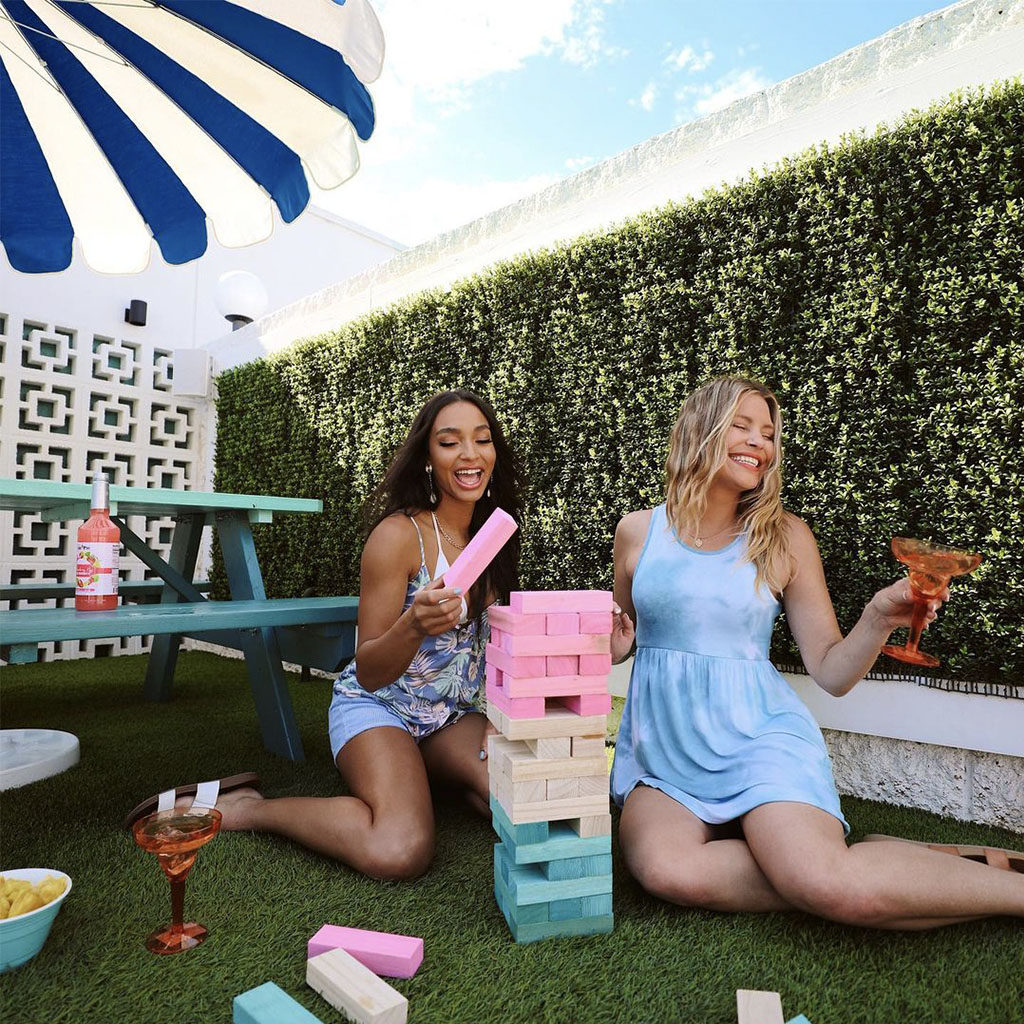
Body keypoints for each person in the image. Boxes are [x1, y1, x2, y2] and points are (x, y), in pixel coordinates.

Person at [608, 376, 1024, 929]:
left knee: (827, 883)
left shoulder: (784, 536)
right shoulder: (637, 532)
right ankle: (887, 866)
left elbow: (830, 671)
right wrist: (615, 647)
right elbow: (622, 637)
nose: (761, 441)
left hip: (759, 740)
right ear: (699, 428)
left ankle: (950, 885)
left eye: (770, 433)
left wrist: (878, 616)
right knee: (667, 871)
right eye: (743, 425)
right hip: (663, 753)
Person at [129, 390, 522, 880]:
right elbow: (372, 668)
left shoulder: (495, 536)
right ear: (427, 457)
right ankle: (251, 808)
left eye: (482, 440)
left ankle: (433, 780)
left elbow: (502, 641)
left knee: (526, 805)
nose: (469, 454)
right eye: (450, 443)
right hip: (379, 708)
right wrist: (413, 623)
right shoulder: (398, 537)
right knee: (398, 849)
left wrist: (501, 718)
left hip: (448, 717)